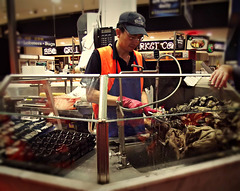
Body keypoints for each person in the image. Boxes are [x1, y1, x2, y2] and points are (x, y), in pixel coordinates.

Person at [83, 11, 157, 137]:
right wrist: (123, 101)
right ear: (118, 33)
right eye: (132, 37)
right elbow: (90, 95)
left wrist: (144, 106)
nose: (136, 42)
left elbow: (142, 90)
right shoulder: (99, 56)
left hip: (136, 129)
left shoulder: (139, 58)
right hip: (109, 128)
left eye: (139, 37)